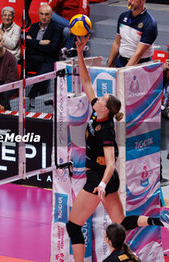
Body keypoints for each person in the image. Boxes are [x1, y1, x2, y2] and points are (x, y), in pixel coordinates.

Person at [66, 35, 169, 262]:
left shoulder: (105, 131)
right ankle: (158, 220)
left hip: (99, 180)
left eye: (102, 98)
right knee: (121, 223)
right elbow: (85, 82)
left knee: (73, 226)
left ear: (106, 108)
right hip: (108, 181)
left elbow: (111, 163)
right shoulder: (96, 111)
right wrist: (80, 53)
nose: (98, 98)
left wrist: (101, 185)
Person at [25, 4, 61, 108]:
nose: (44, 17)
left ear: (50, 15)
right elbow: (26, 42)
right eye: (41, 14)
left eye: (46, 14)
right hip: (32, 58)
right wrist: (40, 42)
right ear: (38, 15)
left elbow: (52, 48)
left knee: (43, 73)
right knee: (17, 66)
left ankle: (31, 97)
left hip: (47, 59)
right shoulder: (33, 26)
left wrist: (33, 42)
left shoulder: (56, 29)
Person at [107, 0, 157, 68]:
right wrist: (108, 65)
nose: (129, 1)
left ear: (142, 1)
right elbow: (117, 43)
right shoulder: (122, 16)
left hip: (141, 66)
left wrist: (124, 72)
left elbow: (138, 54)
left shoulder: (150, 23)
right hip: (121, 61)